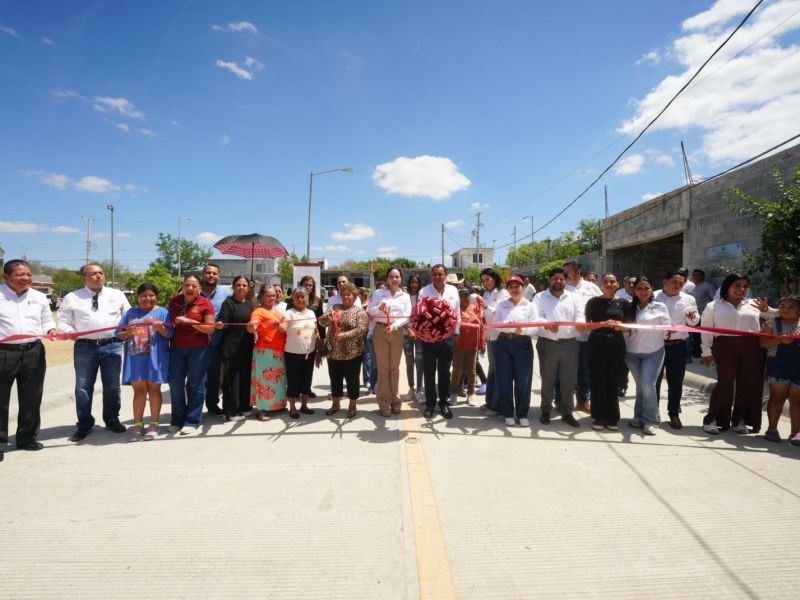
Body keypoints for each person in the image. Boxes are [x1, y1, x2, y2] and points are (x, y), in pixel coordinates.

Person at [59, 262, 131, 442]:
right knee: (83, 387)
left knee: (112, 386)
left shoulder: (117, 294)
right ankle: (84, 424)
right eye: (93, 273)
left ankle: (112, 419)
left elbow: (128, 316)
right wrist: (69, 332)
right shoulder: (72, 297)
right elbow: (63, 320)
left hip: (112, 345)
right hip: (85, 347)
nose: (99, 276)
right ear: (84, 277)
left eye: (101, 273)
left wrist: (127, 331)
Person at [0, 259, 57, 461]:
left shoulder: (39, 297)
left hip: (33, 352)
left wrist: (50, 329)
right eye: (20, 275)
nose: (26, 279)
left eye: (29, 275)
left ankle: (26, 438)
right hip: (3, 353)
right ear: (6, 277)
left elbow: (46, 320)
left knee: (32, 396)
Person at [700, 273, 769, 434]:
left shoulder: (754, 304)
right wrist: (706, 352)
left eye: (745, 286)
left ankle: (740, 421)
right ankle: (713, 420)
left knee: (748, 385)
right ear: (727, 287)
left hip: (752, 348)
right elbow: (706, 331)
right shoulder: (713, 306)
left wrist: (766, 311)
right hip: (724, 348)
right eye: (737, 286)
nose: (742, 289)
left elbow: (774, 316)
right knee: (725, 383)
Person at [117, 283, 173, 441]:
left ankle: (154, 424)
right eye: (143, 295)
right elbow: (119, 334)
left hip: (156, 358)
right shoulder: (131, 313)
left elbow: (169, 335)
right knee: (139, 391)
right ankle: (137, 425)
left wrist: (161, 328)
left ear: (156, 296)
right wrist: (128, 330)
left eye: (151, 295)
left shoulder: (163, 312)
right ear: (137, 297)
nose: (147, 298)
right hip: (136, 358)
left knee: (154, 390)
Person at [533, 267, 583, 427]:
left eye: (561, 279)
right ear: (549, 280)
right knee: (547, 378)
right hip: (548, 344)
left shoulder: (574, 297)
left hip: (570, 344)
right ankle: (546, 410)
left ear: (566, 280)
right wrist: (547, 325)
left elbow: (580, 315)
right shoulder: (540, 297)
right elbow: (535, 318)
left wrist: (581, 323)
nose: (558, 282)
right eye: (555, 279)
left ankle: (567, 412)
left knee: (569, 380)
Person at [166, 275, 216, 435]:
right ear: (182, 286)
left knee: (195, 384)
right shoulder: (174, 301)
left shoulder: (205, 303)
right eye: (187, 285)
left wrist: (191, 322)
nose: (190, 288)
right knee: (175, 384)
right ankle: (177, 419)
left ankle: (193, 420)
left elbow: (210, 328)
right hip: (176, 349)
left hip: (199, 349)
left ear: (199, 289)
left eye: (194, 286)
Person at [623, 276, 671, 435]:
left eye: (646, 288)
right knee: (640, 386)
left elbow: (667, 327)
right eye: (639, 288)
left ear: (651, 289)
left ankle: (651, 420)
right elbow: (623, 329)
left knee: (647, 385)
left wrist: (671, 330)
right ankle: (638, 416)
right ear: (634, 291)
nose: (643, 292)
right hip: (632, 353)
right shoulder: (629, 307)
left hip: (653, 352)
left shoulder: (659, 306)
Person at [490, 275, 538, 427]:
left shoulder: (530, 305)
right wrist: (506, 324)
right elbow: (494, 323)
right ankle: (508, 413)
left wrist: (522, 330)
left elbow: (535, 326)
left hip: (522, 344)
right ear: (508, 289)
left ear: (523, 287)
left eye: (517, 286)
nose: (514, 289)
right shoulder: (501, 304)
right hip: (503, 343)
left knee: (523, 380)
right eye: (511, 287)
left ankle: (522, 413)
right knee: (504, 380)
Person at [654, 270, 699, 429]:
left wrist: (692, 317)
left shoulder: (689, 299)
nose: (677, 286)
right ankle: (653, 413)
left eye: (681, 284)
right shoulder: (654, 296)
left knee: (676, 382)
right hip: (656, 345)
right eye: (674, 282)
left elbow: (694, 323)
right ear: (664, 281)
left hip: (678, 346)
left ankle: (674, 413)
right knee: (654, 381)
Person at [585, 273, 630, 430]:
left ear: (618, 283)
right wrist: (602, 323)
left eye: (612, 281)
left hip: (616, 344)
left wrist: (620, 326)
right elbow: (587, 325)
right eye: (606, 282)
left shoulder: (625, 303)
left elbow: (631, 326)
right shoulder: (593, 302)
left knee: (613, 380)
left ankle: (613, 417)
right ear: (601, 284)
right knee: (597, 380)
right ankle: (599, 416)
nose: (609, 284)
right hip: (596, 343)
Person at [319, 282, 369, 419]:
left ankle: (352, 405)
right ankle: (335, 404)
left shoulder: (359, 312)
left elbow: (361, 329)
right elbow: (323, 322)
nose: (346, 297)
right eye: (343, 295)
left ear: (354, 296)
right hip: (334, 351)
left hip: (352, 352)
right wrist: (325, 318)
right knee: (335, 378)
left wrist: (345, 335)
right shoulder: (335, 308)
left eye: (349, 295)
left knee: (352, 379)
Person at [418, 264, 461, 420]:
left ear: (446, 275)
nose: (437, 277)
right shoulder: (424, 292)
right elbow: (420, 314)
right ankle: (430, 404)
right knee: (429, 371)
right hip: (428, 337)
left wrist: (457, 333)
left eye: (440, 274)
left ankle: (444, 403)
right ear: (431, 276)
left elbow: (457, 313)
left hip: (447, 337)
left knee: (444, 372)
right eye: (435, 274)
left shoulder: (453, 291)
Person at [368, 267, 411, 417]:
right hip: (380, 331)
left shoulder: (404, 296)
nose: (394, 279)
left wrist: (394, 326)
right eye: (391, 276)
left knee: (394, 368)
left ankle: (395, 400)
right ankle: (384, 402)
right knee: (383, 368)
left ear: (401, 279)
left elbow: (407, 316)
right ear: (387, 279)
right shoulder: (379, 293)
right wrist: (378, 307)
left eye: (397, 277)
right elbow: (369, 310)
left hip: (396, 331)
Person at [760, 296, 800, 445]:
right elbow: (763, 343)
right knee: (777, 397)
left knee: (797, 400)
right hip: (778, 365)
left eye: (791, 307)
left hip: (798, 368)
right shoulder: (772, 323)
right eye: (782, 306)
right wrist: (780, 340)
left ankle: (796, 433)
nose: (785, 310)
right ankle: (772, 429)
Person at [563, 259, 601, 413]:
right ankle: (562, 401)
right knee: (566, 371)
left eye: (568, 272)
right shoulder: (562, 289)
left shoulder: (592, 288)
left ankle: (584, 400)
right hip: (567, 337)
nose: (565, 275)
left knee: (584, 370)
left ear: (578, 271)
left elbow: (601, 305)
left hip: (587, 337)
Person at [216, 275, 255, 422]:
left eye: (244, 285)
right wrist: (221, 324)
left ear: (248, 288)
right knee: (231, 380)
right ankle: (231, 411)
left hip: (246, 347)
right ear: (233, 287)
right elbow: (224, 322)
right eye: (238, 285)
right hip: (230, 348)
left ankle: (244, 406)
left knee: (245, 378)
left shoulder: (250, 304)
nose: (241, 288)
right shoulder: (228, 303)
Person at [247, 285, 287, 420]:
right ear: (262, 297)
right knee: (263, 382)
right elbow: (253, 324)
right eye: (268, 295)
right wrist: (252, 326)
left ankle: (276, 406)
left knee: (276, 381)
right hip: (265, 352)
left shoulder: (276, 311)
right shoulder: (258, 311)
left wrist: (281, 325)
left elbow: (284, 324)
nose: (272, 298)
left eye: (273, 295)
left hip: (278, 351)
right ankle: (261, 410)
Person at [199, 263, 232, 416]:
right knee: (195, 378)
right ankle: (194, 408)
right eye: (208, 273)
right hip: (195, 344)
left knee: (213, 378)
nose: (211, 276)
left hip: (216, 343)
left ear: (219, 276)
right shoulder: (193, 291)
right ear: (202, 274)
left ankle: (212, 405)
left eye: (214, 273)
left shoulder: (226, 293)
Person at [280, 288, 318, 418]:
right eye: (298, 297)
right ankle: (292, 407)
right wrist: (281, 326)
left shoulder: (312, 313)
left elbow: (316, 331)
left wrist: (319, 344)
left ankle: (304, 405)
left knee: (307, 379)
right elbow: (282, 327)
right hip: (292, 353)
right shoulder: (289, 313)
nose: (301, 299)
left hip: (310, 352)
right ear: (293, 299)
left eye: (303, 297)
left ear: (307, 298)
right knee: (293, 380)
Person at [287, 275, 324, 398]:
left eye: (310, 285)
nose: (308, 287)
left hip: (311, 341)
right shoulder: (290, 302)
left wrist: (321, 342)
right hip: (294, 343)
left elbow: (320, 324)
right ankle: (295, 392)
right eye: (305, 284)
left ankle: (306, 390)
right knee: (295, 371)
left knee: (308, 370)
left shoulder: (317, 302)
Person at [478, 267, 509, 416]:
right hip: (490, 335)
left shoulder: (503, 294)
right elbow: (484, 315)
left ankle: (498, 406)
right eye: (483, 281)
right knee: (492, 370)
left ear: (495, 278)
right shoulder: (486, 294)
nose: (486, 283)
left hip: (500, 336)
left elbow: (498, 312)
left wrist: (484, 306)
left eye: (488, 279)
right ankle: (490, 401)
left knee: (498, 371)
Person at [450, 288, 485, 407]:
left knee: (471, 371)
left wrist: (482, 343)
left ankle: (470, 394)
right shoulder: (455, 310)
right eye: (462, 296)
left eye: (466, 296)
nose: (464, 298)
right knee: (457, 370)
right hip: (458, 345)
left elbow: (481, 327)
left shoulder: (475, 309)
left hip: (472, 345)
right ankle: (454, 393)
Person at [403, 274, 424, 402]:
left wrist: (417, 330)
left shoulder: (422, 297)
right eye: (411, 282)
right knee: (409, 361)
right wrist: (408, 329)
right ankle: (411, 388)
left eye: (416, 282)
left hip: (420, 334)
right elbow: (400, 315)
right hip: (406, 333)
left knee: (420, 362)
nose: (414, 285)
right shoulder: (404, 297)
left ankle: (419, 390)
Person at [689, 269, 716, 358]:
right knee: (696, 335)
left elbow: (715, 299)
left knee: (704, 336)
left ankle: (706, 356)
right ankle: (697, 352)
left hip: (705, 315)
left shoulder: (707, 286)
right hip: (694, 316)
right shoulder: (692, 287)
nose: (696, 277)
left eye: (698, 275)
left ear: (703, 277)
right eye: (694, 275)